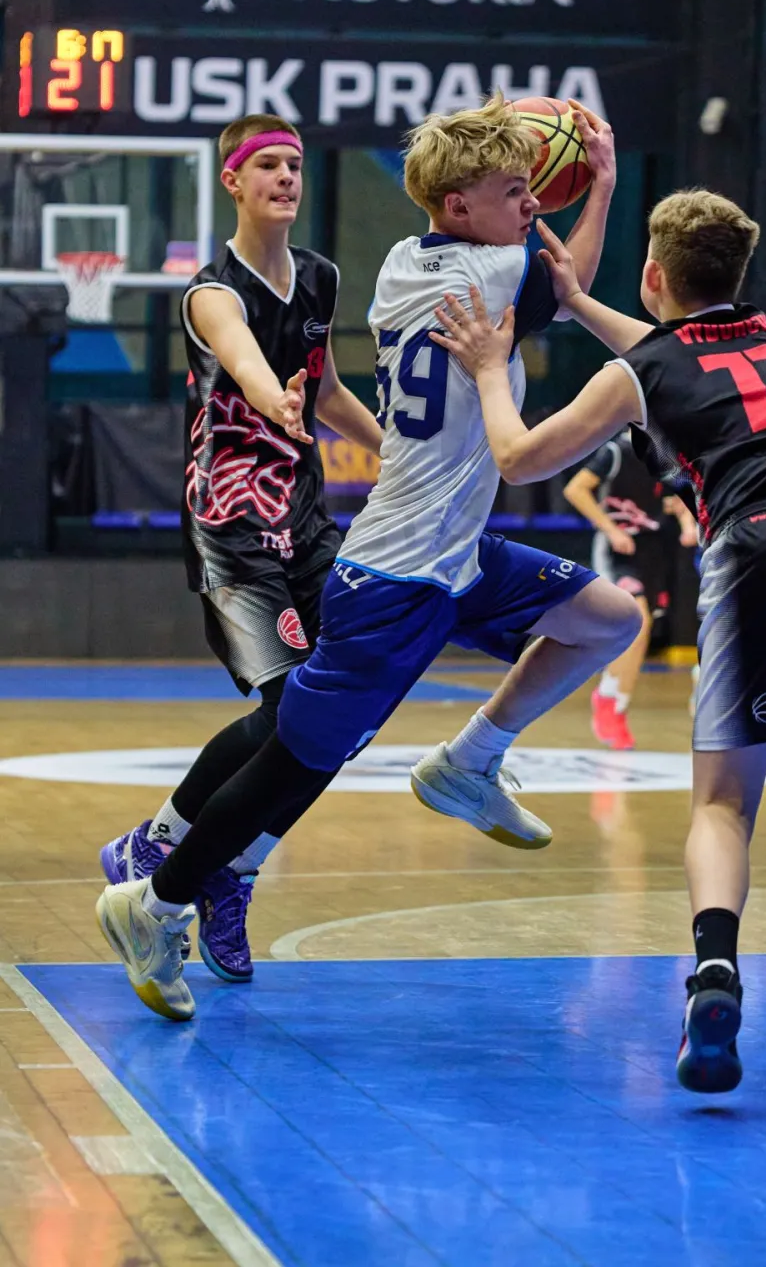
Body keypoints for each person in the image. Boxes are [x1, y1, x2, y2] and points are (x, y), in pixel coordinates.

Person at [95, 94, 641, 1022]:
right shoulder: (492, 273)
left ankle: (468, 761)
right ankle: (153, 899)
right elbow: (572, 279)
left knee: (608, 619)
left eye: (533, 189)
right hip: (388, 572)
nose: (532, 204)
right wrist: (604, 185)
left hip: (446, 552)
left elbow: (532, 278)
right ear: (460, 207)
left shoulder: (399, 263)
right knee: (292, 756)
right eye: (516, 192)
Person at [428, 189, 766, 1095]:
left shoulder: (637, 373)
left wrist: (489, 366)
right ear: (735, 276)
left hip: (760, 545)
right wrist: (579, 302)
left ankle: (713, 972)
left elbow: (519, 457)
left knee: (724, 804)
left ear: (652, 274)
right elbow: (667, 352)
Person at [98, 113, 382, 985]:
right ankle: (160, 843)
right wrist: (272, 398)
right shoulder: (211, 293)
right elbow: (250, 365)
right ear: (233, 181)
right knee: (292, 708)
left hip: (306, 520)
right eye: (268, 166)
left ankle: (237, 868)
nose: (287, 177)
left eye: (295, 164)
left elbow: (323, 388)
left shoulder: (322, 277)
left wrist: (394, 451)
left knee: (349, 709)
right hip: (229, 525)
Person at [563, 433, 698, 749]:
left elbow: (679, 501)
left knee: (641, 633)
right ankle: (607, 696)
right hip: (618, 552)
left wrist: (688, 525)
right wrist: (610, 529)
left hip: (654, 554)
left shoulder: (669, 457)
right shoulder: (617, 451)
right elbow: (575, 489)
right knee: (638, 620)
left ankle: (615, 703)